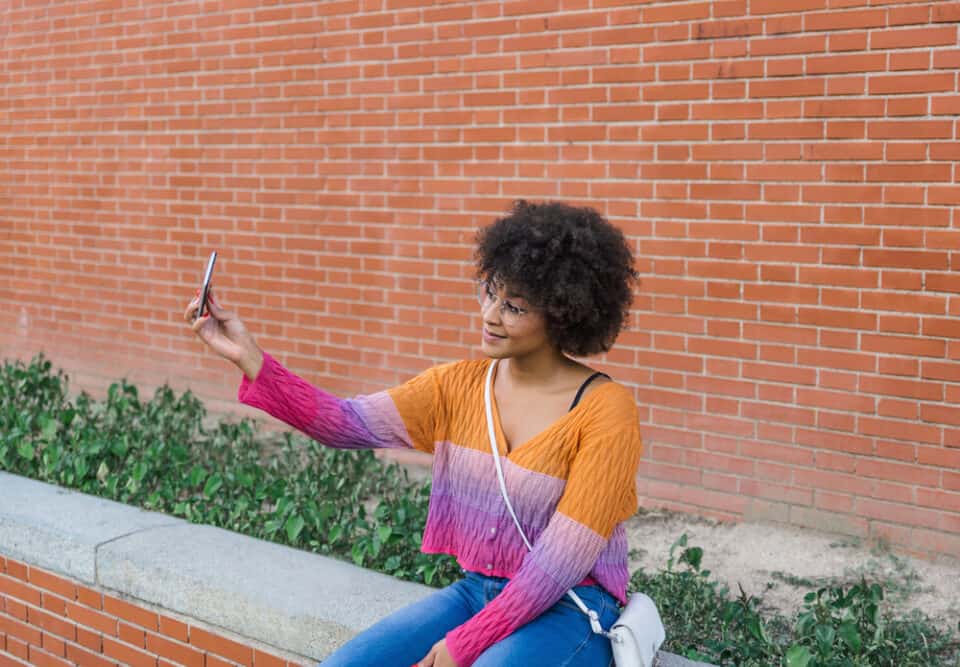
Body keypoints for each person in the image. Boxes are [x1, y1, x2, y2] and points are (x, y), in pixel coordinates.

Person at [184, 200, 642, 667]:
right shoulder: (454, 386)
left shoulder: (606, 412)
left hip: (571, 607)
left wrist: (465, 644)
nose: (489, 315)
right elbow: (347, 423)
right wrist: (249, 357)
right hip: (475, 591)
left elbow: (558, 564)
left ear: (564, 313)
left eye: (514, 307)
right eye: (489, 292)